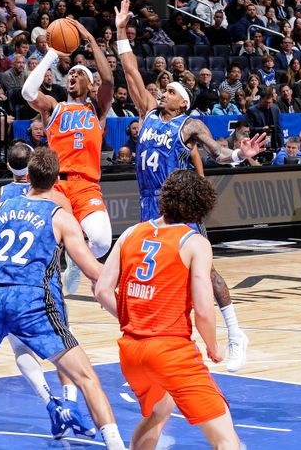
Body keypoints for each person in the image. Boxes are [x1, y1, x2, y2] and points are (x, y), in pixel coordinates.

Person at [0, 148, 126, 450]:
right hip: (32, 302)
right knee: (87, 378)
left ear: (28, 176)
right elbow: (93, 270)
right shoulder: (60, 216)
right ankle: (116, 444)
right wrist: (124, 278)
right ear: (57, 181)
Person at [115, 0, 264, 373]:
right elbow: (130, 70)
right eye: (163, 90)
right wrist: (120, 33)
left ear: (182, 103)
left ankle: (235, 333)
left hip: (179, 207)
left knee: (206, 273)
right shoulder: (148, 112)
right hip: (149, 205)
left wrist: (240, 155)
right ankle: (166, 347)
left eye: (170, 92)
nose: (162, 92)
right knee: (157, 277)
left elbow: (218, 154)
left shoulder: (190, 125)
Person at [95, 170, 240, 450]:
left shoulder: (130, 233)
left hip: (131, 351)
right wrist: (214, 346)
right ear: (200, 205)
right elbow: (203, 311)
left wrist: (133, 319)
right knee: (225, 439)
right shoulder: (195, 242)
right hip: (170, 352)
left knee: (158, 414)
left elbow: (102, 290)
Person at [0, 142, 96, 438]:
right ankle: (69, 405)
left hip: (2, 284)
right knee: (63, 346)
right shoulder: (56, 197)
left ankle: (50, 404)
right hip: (43, 285)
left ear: (9, 167)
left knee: (20, 347)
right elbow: (74, 241)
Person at [21, 17, 114, 294]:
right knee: (47, 241)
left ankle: (75, 262)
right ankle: (46, 289)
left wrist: (88, 36)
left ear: (90, 84)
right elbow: (28, 91)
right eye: (70, 73)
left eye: (79, 74)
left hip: (86, 184)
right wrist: (51, 54)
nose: (73, 76)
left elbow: (108, 77)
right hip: (56, 184)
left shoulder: (96, 109)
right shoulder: (54, 107)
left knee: (101, 241)